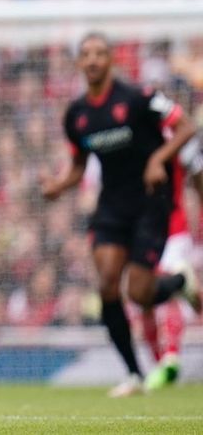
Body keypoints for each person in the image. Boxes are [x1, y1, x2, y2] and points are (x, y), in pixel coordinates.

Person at [42, 32, 201, 396]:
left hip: (150, 204)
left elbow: (187, 126)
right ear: (80, 64)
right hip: (112, 206)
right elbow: (79, 166)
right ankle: (133, 374)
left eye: (100, 53)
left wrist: (159, 159)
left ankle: (180, 283)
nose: (94, 59)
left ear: (112, 59)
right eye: (86, 54)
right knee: (107, 284)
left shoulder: (139, 98)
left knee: (140, 293)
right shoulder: (77, 115)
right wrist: (59, 186)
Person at [140, 130, 203, 390]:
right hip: (141, 232)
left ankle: (170, 360)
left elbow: (198, 177)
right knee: (142, 297)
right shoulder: (129, 138)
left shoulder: (176, 139)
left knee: (165, 288)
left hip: (173, 229)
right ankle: (159, 366)